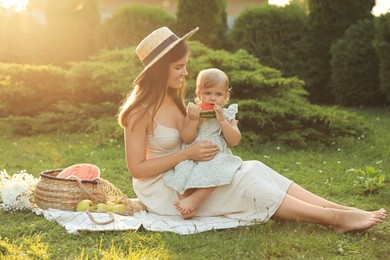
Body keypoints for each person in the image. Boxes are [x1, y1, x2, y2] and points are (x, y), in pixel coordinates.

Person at [117, 26, 387, 233]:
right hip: (164, 190)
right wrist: (187, 155)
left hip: (189, 176)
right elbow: (137, 169)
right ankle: (335, 219)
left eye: (185, 65)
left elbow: (196, 137)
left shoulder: (176, 102)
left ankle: (339, 208)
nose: (186, 73)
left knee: (254, 167)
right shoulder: (139, 112)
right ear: (158, 70)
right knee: (244, 181)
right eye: (178, 67)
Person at [163, 68, 242, 218]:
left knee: (216, 168)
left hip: (215, 154)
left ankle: (194, 201)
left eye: (218, 94)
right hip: (192, 153)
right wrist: (193, 121)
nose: (212, 98)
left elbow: (234, 140)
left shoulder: (227, 114)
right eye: (207, 93)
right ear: (198, 94)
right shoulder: (193, 112)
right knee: (182, 170)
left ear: (226, 97)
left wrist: (223, 122)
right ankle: (186, 204)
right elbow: (187, 138)